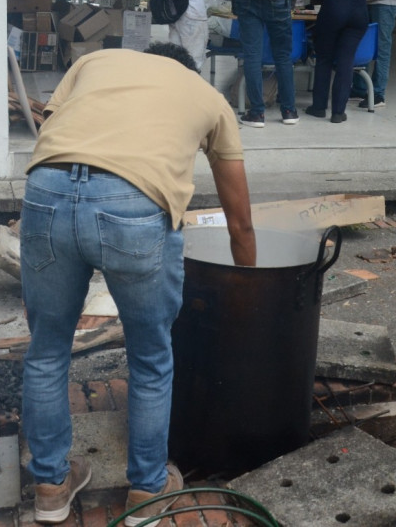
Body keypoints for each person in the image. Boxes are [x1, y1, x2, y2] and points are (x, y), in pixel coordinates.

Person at [20, 43, 256, 526]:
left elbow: (52, 126)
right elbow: (240, 225)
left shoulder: (95, 61)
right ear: (184, 69)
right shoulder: (208, 97)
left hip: (47, 190)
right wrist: (249, 297)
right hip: (135, 203)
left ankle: (50, 487)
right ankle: (146, 493)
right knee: (150, 357)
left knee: (46, 351)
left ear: (145, 56)